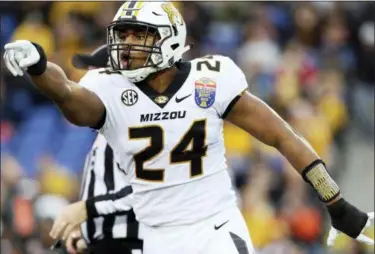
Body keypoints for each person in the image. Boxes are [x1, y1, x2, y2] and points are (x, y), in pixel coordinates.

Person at [3, 1, 373, 253]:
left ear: (171, 38)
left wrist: (334, 200)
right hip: (156, 238)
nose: (127, 45)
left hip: (214, 229)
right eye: (124, 35)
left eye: (139, 35)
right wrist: (38, 67)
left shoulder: (209, 79)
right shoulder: (108, 87)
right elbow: (67, 94)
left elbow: (282, 136)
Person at [52, 45, 144, 254]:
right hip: (108, 241)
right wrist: (87, 233)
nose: (85, 81)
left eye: (94, 72)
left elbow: (148, 191)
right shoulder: (106, 130)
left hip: (130, 242)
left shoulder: (133, 127)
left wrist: (85, 209)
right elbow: (106, 190)